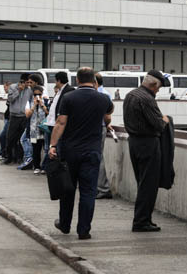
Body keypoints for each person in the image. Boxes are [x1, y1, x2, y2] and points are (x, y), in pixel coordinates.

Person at [49, 67, 114, 240]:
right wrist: (105, 121)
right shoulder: (103, 98)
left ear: (77, 80)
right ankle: (84, 230)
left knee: (68, 189)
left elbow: (60, 123)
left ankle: (64, 224)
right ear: (94, 81)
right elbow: (107, 118)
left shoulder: (69, 98)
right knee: (88, 192)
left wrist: (52, 145)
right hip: (92, 151)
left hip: (70, 152)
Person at [123, 70, 169, 232]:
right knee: (149, 184)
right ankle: (141, 221)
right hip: (148, 144)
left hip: (134, 142)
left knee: (142, 182)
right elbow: (159, 125)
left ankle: (144, 219)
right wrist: (165, 119)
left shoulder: (130, 95)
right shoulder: (147, 99)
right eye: (159, 88)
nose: (158, 91)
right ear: (153, 84)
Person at [41, 72, 73, 169]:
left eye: (55, 80)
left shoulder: (69, 90)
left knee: (58, 149)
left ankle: (59, 170)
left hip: (59, 125)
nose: (55, 82)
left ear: (58, 80)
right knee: (50, 148)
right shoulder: (59, 91)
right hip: (52, 124)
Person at [4, 73, 32, 165]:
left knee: (21, 139)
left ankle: (19, 158)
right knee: (10, 138)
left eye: (29, 82)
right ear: (22, 81)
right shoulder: (12, 87)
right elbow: (10, 99)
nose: (28, 84)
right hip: (14, 116)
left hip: (24, 117)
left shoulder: (30, 89)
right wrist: (19, 90)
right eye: (27, 82)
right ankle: (9, 157)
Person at [95, 72, 113, 199]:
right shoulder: (105, 94)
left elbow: (107, 117)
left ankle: (103, 188)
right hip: (100, 127)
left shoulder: (102, 95)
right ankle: (99, 187)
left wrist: (106, 124)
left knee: (98, 157)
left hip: (98, 128)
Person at [24, 84, 48, 173]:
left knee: (46, 149)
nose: (37, 96)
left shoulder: (46, 101)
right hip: (34, 131)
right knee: (35, 149)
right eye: (35, 95)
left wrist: (42, 105)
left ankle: (45, 167)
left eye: (39, 94)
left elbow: (49, 113)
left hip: (44, 130)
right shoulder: (29, 102)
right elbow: (27, 115)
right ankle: (36, 166)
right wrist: (34, 105)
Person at [0, 80, 12, 162]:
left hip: (9, 118)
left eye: (5, 87)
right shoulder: (10, 95)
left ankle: (3, 153)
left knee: (2, 136)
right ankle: (4, 153)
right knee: (5, 137)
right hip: (7, 118)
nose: (4, 89)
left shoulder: (12, 95)